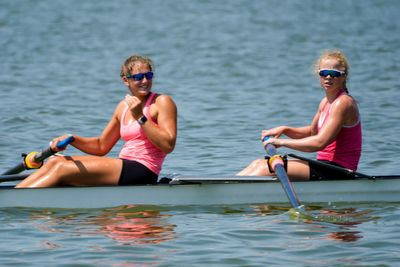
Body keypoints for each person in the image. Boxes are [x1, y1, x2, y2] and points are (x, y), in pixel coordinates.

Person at [16, 55, 177, 188]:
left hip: (144, 170)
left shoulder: (162, 102)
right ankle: (16, 192)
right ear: (125, 81)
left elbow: (168, 145)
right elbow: (101, 146)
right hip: (125, 165)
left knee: (62, 168)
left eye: (148, 76)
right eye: (138, 77)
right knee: (55, 161)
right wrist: (73, 139)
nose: (144, 81)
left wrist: (140, 117)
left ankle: (15, 200)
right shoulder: (123, 107)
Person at [237, 50, 361, 180]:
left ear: (344, 77)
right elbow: (313, 132)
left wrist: (282, 142)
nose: (328, 77)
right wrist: (286, 129)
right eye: (324, 73)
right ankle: (225, 187)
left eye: (334, 74)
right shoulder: (325, 102)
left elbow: (319, 142)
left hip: (339, 170)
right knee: (257, 164)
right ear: (319, 75)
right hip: (325, 166)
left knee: (264, 168)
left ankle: (226, 195)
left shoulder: (343, 103)